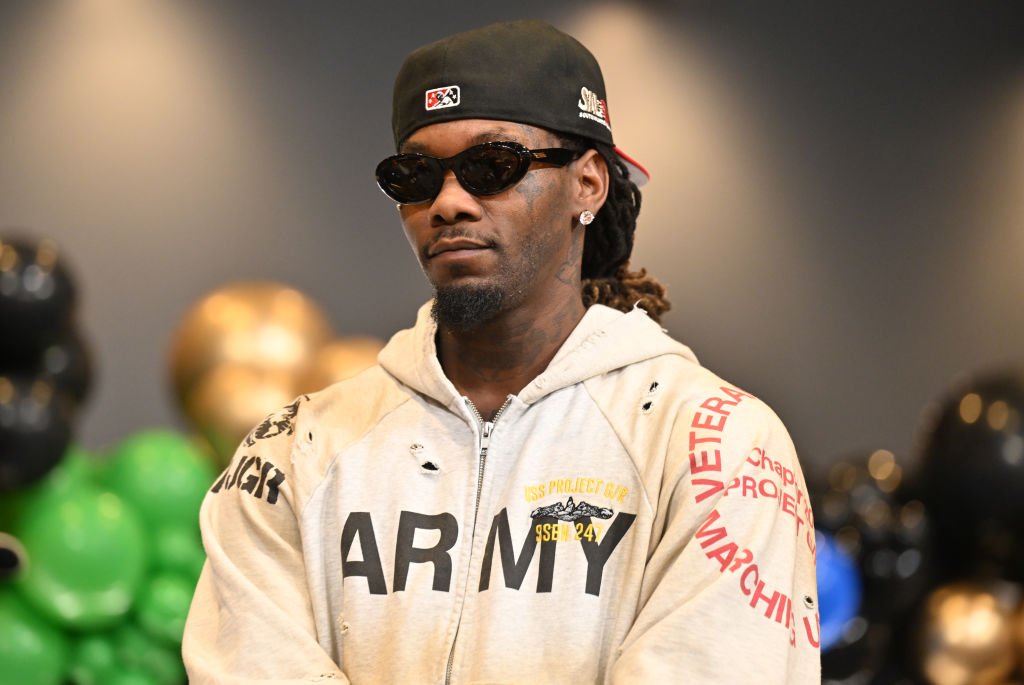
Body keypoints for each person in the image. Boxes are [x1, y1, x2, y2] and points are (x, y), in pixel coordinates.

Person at [183, 19, 820, 684]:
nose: (448, 203)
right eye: (416, 175)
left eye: (492, 166)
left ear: (588, 183)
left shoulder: (715, 445)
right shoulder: (296, 451)